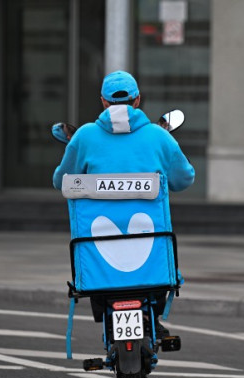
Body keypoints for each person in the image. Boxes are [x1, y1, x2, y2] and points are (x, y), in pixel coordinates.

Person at [53, 70, 195, 334]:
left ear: (104, 102)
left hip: (99, 254)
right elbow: (184, 179)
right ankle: (152, 318)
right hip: (150, 254)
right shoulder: (158, 136)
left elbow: (61, 179)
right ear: (137, 100)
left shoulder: (84, 137)